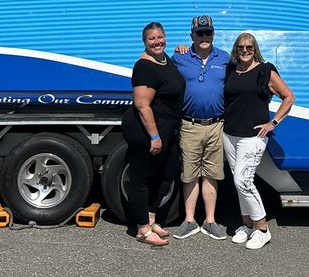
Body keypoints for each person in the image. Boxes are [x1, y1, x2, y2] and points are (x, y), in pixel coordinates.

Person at [223, 32, 295, 250]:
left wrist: (273, 122)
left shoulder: (265, 70)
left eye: (249, 47)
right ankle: (247, 226)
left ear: (255, 49)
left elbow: (289, 96)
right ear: (236, 49)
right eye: (241, 47)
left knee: (243, 182)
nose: (245, 51)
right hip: (230, 134)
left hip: (253, 137)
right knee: (238, 183)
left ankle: (262, 229)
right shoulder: (231, 70)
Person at [120, 22, 185, 247]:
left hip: (167, 127)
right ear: (144, 42)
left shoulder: (164, 59)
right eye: (152, 39)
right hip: (146, 130)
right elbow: (142, 105)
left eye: (160, 37)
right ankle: (142, 229)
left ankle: (151, 217)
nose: (157, 42)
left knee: (168, 170)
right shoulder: (144, 66)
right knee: (142, 177)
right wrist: (154, 137)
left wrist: (183, 49)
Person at [169, 15, 230, 241]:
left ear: (213, 34)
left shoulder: (225, 58)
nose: (204, 36)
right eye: (199, 33)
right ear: (192, 35)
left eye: (208, 32)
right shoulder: (180, 57)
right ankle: (189, 221)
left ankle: (210, 221)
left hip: (216, 125)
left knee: (212, 175)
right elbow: (160, 69)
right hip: (190, 125)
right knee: (190, 175)